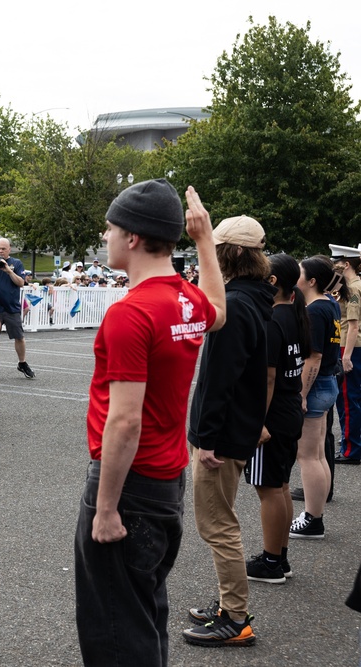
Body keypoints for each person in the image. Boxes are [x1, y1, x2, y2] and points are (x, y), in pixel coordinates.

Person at [73, 180, 225, 666]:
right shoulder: (185, 299)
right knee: (143, 614)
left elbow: (124, 423)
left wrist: (105, 507)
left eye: (111, 228)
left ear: (133, 238)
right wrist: (204, 241)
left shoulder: (131, 312)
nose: (105, 234)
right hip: (165, 481)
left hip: (131, 486)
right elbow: (218, 311)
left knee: (115, 629)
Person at [185, 215, 274, 648]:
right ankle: (228, 605)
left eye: (214, 247)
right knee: (222, 521)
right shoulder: (257, 297)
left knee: (217, 525)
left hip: (221, 436)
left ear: (233, 254)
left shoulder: (235, 305)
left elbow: (221, 377)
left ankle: (235, 618)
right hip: (238, 427)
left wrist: (206, 438)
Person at [242, 253, 307, 584]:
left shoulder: (271, 319)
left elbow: (267, 378)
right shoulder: (294, 314)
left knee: (269, 488)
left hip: (274, 411)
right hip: (290, 407)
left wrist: (258, 421)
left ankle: (270, 561)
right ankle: (279, 557)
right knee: (280, 485)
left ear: (272, 283)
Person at [289, 255, 342, 538]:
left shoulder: (315, 310)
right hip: (328, 383)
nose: (294, 276)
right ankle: (314, 514)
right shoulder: (330, 303)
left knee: (308, 456)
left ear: (311, 281)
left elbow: (314, 357)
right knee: (318, 454)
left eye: (299, 273)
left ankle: (312, 519)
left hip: (317, 384)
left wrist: (301, 393)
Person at [0, 237, 34, 379]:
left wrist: (9, 271)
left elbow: (21, 283)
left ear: (9, 249)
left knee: (19, 337)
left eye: (3, 249)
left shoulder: (16, 263)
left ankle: (22, 363)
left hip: (11, 307)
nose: (0, 251)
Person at [330, 244, 361, 464]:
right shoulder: (351, 284)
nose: (334, 267)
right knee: (351, 398)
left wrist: (346, 356)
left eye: (336, 263)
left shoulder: (353, 287)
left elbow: (353, 325)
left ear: (346, 264)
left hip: (349, 346)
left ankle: (351, 450)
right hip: (351, 346)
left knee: (348, 400)